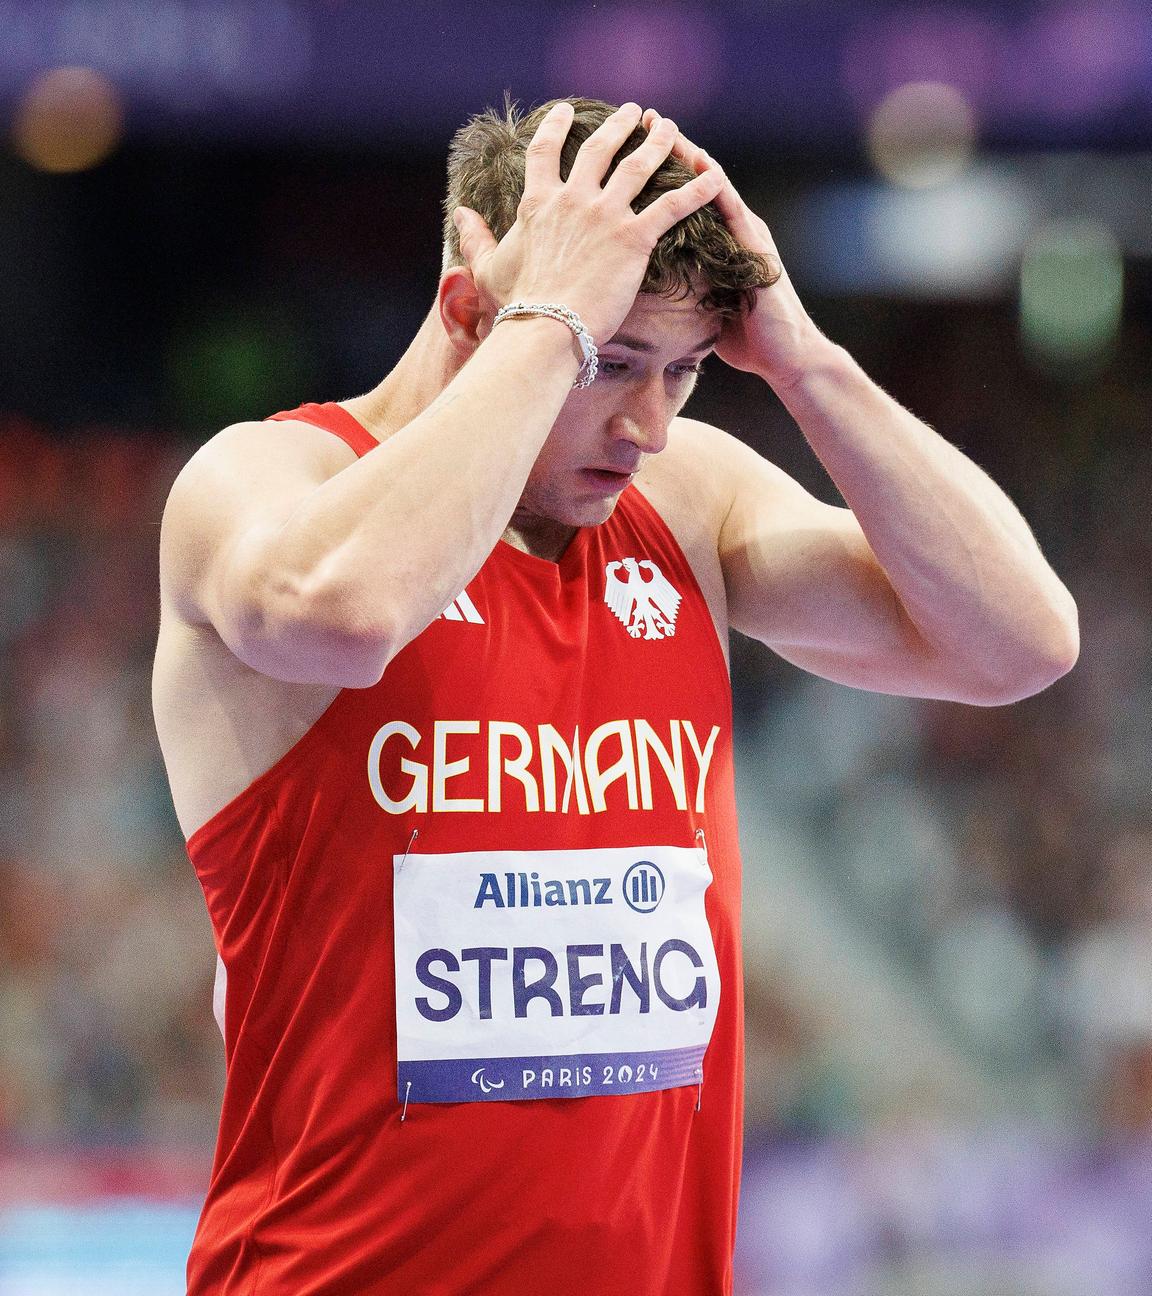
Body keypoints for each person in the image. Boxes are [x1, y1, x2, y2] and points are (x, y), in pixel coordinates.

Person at [151, 97, 1079, 1295]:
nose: (647, 423)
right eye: (616, 360)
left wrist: (802, 356)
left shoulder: (688, 504)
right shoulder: (266, 478)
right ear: (471, 305)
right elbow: (347, 613)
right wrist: (549, 328)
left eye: (685, 370)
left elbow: (1020, 642)